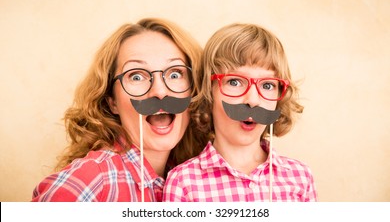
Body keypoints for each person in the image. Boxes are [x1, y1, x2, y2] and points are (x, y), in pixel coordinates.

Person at [32, 18, 208, 202]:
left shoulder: (188, 179)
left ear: (193, 91)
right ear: (112, 102)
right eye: (137, 76)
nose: (160, 92)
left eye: (175, 74)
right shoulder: (92, 180)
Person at [163, 23, 317, 202]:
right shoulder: (183, 182)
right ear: (208, 92)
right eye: (235, 82)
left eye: (267, 85)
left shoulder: (300, 178)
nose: (252, 100)